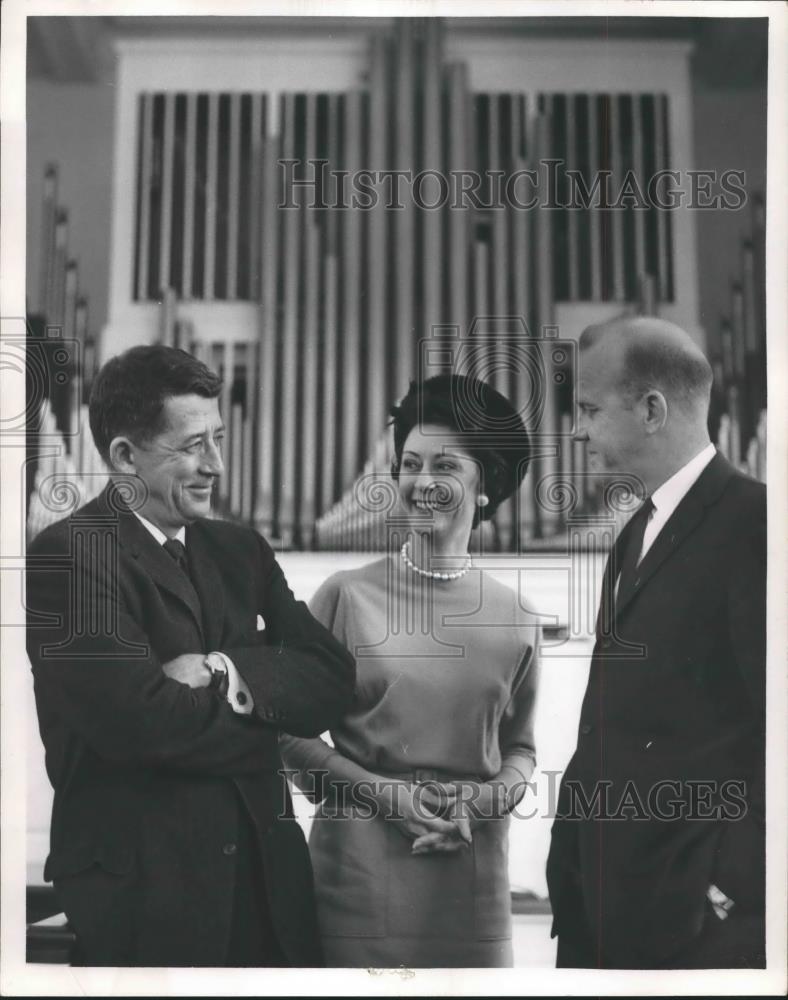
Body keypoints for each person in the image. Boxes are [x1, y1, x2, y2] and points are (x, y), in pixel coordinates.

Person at [26, 344, 356, 967]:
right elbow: (140, 727)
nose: (218, 464)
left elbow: (333, 681)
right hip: (147, 899)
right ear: (124, 455)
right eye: (192, 446)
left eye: (220, 439)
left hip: (266, 889)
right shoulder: (69, 556)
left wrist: (220, 671)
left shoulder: (241, 551)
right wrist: (267, 712)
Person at [281, 374, 541, 968]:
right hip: (358, 877)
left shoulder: (518, 616)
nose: (422, 482)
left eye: (445, 466)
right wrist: (382, 795)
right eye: (410, 463)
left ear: (486, 487)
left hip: (470, 878)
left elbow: (521, 750)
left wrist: (477, 805)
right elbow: (287, 735)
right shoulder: (345, 596)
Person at [546, 316, 766, 969]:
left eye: (588, 409)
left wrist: (730, 887)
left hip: (696, 926)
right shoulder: (632, 536)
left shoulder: (756, 524)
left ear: (651, 410)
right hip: (605, 911)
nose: (577, 430)